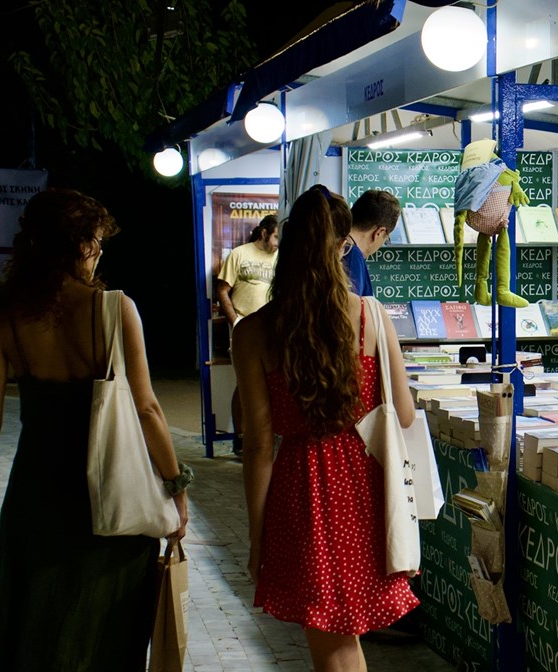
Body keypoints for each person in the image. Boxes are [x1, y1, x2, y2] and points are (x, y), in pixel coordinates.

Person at [0, 188, 189, 669]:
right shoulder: (115, 309)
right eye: (96, 242)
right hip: (113, 499)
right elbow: (147, 409)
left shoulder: (1, 320)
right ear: (78, 244)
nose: (98, 252)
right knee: (109, 637)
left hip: (38, 500)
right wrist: (175, 485)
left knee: (36, 632)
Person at [233, 185, 419, 672]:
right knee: (341, 632)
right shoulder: (371, 317)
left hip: (300, 491)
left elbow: (257, 447)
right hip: (362, 485)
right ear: (344, 246)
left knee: (331, 638)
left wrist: (258, 537)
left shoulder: (252, 333)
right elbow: (403, 414)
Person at [215, 213, 279, 454]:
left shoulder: (280, 258)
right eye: (275, 237)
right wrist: (236, 322)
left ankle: (263, 436)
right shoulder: (239, 254)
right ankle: (240, 437)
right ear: (264, 233)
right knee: (244, 383)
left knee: (269, 383)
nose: (277, 243)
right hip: (244, 329)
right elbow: (222, 290)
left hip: (272, 330)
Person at [343, 189, 401, 296]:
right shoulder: (352, 256)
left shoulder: (333, 241)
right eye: (386, 238)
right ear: (379, 232)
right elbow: (349, 311)